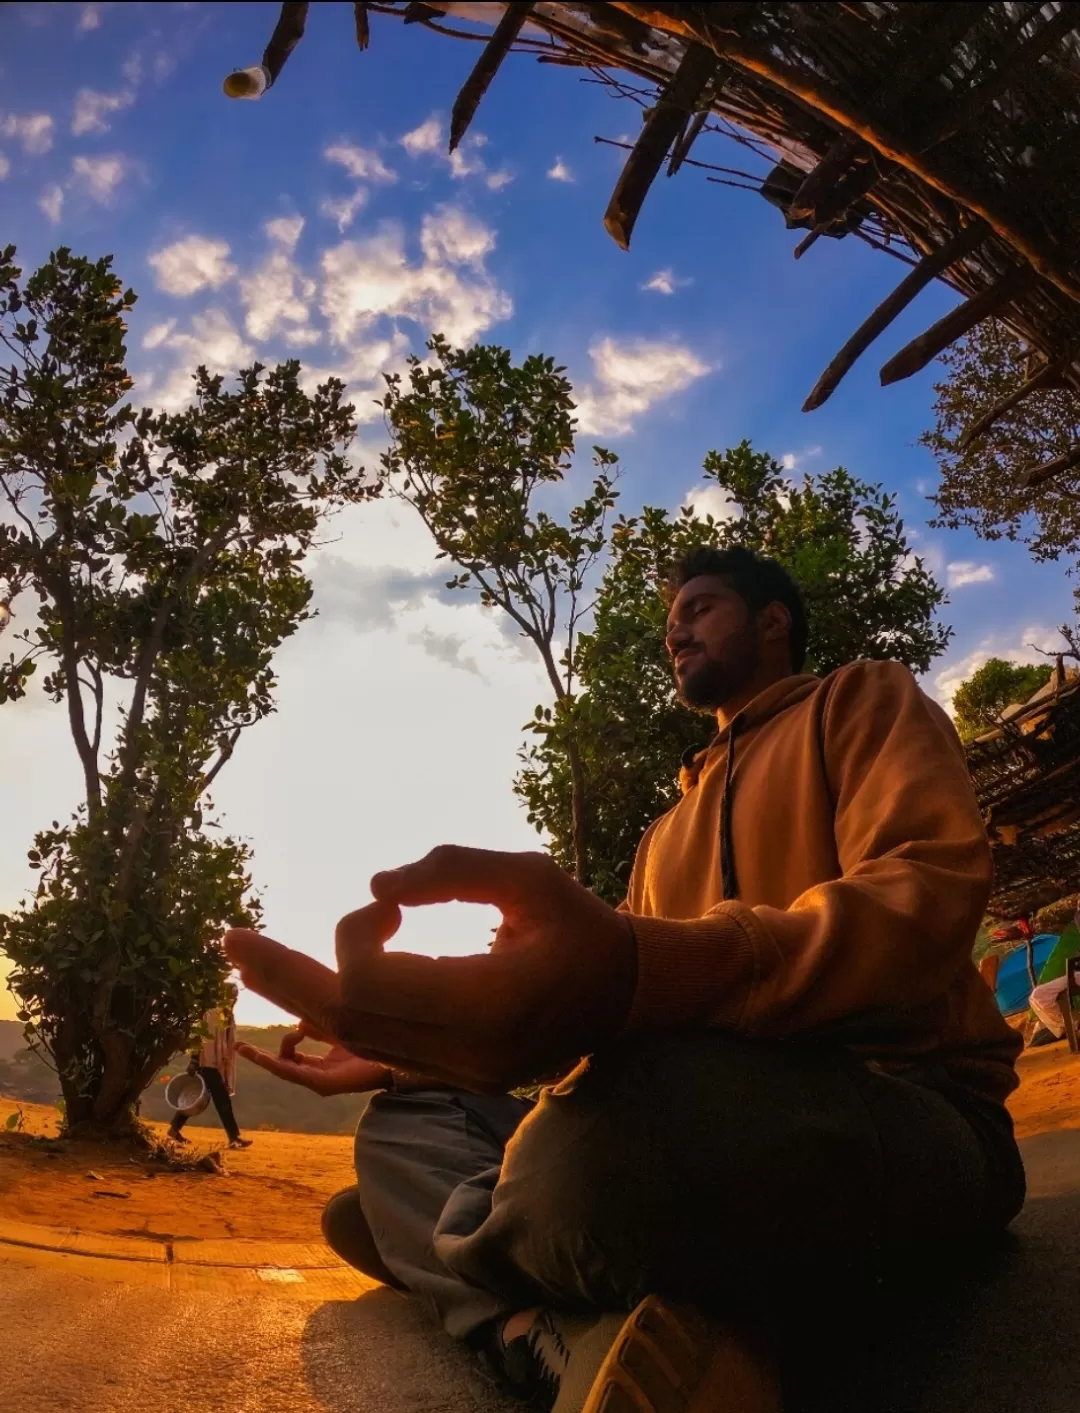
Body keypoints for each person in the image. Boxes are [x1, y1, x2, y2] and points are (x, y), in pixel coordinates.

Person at [230, 545, 1025, 1413]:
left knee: (627, 1125)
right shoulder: (661, 836)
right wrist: (407, 1060)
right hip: (676, 1125)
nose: (676, 629)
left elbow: (926, 898)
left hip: (896, 1099)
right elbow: (604, 1024)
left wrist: (643, 967)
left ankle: (469, 1241)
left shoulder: (859, 699)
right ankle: (545, 1323)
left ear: (773, 622)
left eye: (701, 607)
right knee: (398, 1131)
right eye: (671, 620)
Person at [169, 983, 252, 1150]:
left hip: (216, 1064)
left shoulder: (227, 1016)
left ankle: (174, 1129)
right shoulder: (212, 1014)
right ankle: (234, 1137)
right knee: (222, 1100)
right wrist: (194, 1059)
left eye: (235, 997)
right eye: (231, 996)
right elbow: (199, 1036)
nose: (234, 1000)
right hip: (207, 1063)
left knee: (197, 1100)